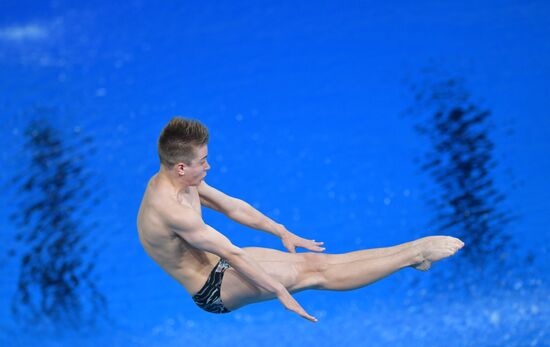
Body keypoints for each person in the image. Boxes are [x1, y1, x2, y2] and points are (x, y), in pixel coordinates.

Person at [136, 116, 465, 323]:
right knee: (314, 274)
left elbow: (233, 207)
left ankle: (408, 252)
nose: (208, 167)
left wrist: (282, 231)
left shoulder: (183, 180)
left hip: (219, 266)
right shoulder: (171, 210)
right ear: (181, 166)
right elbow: (232, 253)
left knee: (311, 262)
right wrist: (280, 292)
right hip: (213, 288)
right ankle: (414, 254)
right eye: (203, 161)